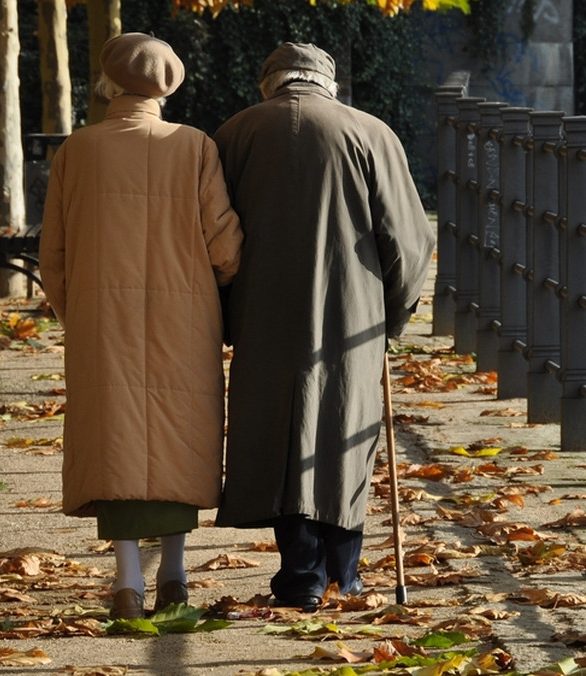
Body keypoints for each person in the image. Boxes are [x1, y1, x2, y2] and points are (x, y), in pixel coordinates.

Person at [212, 42, 434, 612]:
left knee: (281, 433)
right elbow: (407, 243)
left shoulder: (234, 134)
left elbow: (213, 236)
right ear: (326, 82)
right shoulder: (370, 132)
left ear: (271, 82)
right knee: (343, 431)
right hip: (352, 309)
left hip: (262, 311)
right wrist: (393, 313)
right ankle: (345, 573)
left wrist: (223, 309)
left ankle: (299, 574)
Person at [39, 33, 243, 621]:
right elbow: (224, 245)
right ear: (168, 87)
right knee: (180, 436)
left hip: (104, 322)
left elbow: (52, 254)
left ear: (108, 83)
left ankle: (128, 579)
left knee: (116, 440)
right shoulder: (195, 146)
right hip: (186, 318)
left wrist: (75, 314)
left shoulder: (77, 150)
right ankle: (174, 573)